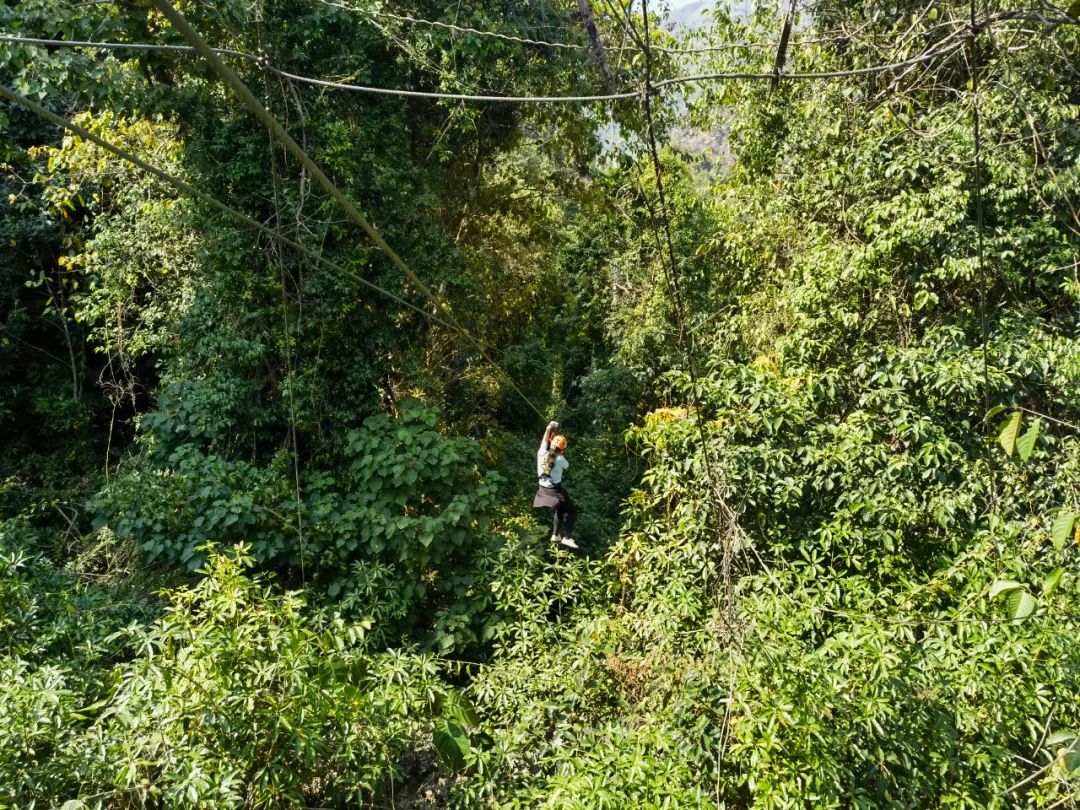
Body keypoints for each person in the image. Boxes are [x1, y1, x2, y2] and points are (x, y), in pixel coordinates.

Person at [533, 420, 579, 549]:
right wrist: (553, 440)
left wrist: (549, 428)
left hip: (543, 489)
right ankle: (567, 538)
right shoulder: (561, 460)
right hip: (555, 491)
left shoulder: (541, 453)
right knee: (572, 510)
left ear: (551, 443)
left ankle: (555, 535)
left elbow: (544, 441)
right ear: (563, 449)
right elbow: (565, 464)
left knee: (562, 507)